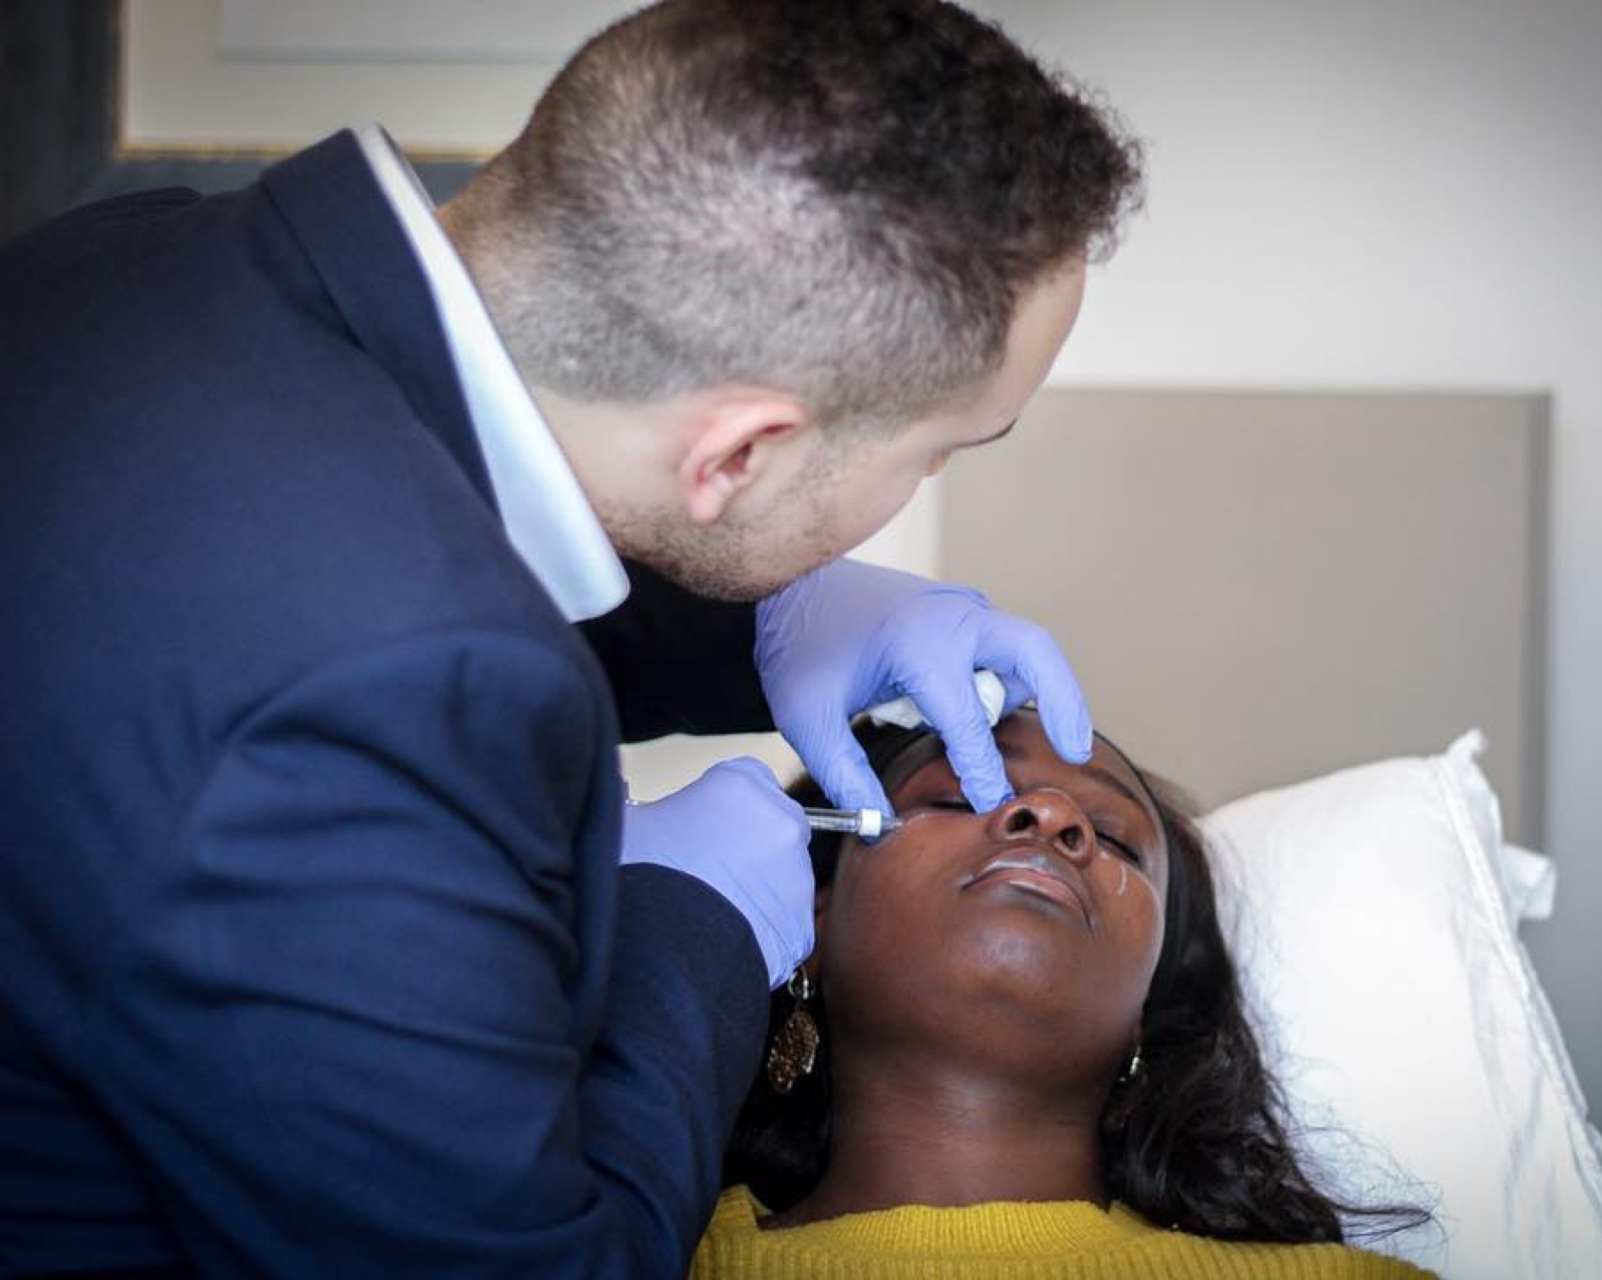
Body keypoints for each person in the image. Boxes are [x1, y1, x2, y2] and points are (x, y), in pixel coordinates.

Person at [0, 1, 1140, 1275]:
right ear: (742, 449)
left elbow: (299, 556)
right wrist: (690, 926)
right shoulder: (387, 700)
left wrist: (769, 625)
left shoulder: (138, 263)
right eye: (938, 451)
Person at [694, 709, 1434, 1278]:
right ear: (807, 928)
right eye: (957, 796)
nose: (1051, 817)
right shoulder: (626, 1247)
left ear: (1150, 1014)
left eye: (1114, 839)